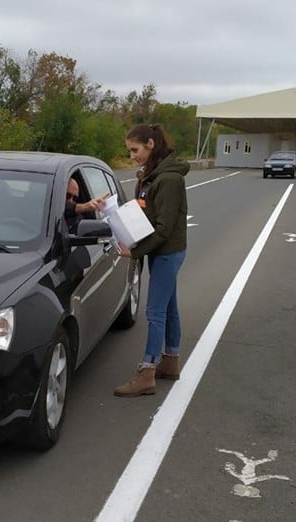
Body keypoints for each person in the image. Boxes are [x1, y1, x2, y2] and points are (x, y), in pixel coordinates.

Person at [113, 123, 190, 397]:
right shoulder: (151, 175)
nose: (132, 155)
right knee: (169, 308)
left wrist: (133, 252)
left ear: (151, 144)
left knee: (155, 312)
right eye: (130, 151)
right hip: (161, 251)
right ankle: (170, 363)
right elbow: (145, 213)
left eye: (135, 150)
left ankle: (147, 372)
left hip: (167, 252)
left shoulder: (168, 180)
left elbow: (164, 228)